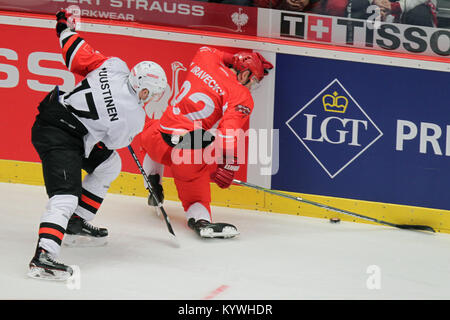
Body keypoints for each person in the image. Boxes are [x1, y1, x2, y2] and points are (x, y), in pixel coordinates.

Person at [28, 10, 168, 281]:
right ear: (143, 90)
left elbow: (76, 54)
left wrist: (64, 29)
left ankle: (75, 221)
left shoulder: (115, 66)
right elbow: (113, 141)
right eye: (152, 93)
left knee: (109, 163)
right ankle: (43, 256)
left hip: (59, 117)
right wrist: (120, 119)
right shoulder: (135, 117)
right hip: (58, 134)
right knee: (65, 196)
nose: (152, 98)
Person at [139, 46, 273, 239]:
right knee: (198, 170)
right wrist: (227, 162)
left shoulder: (204, 58)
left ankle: (153, 181)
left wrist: (234, 58)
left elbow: (208, 50)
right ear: (244, 74)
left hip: (158, 140)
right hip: (187, 154)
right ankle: (200, 220)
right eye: (253, 80)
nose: (251, 86)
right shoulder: (241, 95)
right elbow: (228, 133)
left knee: (148, 128)